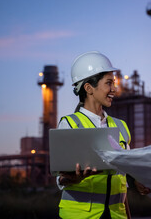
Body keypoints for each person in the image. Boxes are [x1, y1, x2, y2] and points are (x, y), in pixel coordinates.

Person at [56, 51, 132, 219]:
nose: (114, 89)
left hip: (116, 215)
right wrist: (69, 180)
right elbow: (60, 177)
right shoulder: (69, 125)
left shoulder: (121, 127)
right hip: (79, 215)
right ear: (89, 88)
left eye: (114, 83)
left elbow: (123, 180)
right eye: (109, 83)